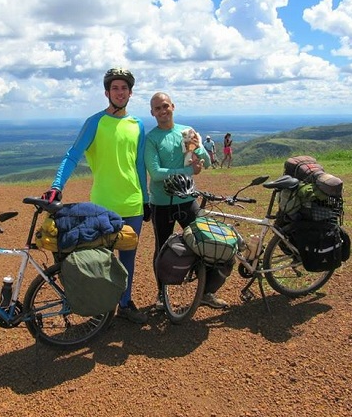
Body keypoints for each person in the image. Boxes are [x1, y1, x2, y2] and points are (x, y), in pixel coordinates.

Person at [41, 68, 150, 324]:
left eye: (124, 88)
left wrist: (145, 199)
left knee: (128, 258)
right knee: (101, 261)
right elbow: (72, 155)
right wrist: (57, 186)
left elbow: (139, 165)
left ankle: (124, 304)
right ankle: (102, 309)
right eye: (115, 88)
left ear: (130, 93)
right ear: (107, 92)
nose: (120, 92)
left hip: (132, 203)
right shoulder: (95, 122)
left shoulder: (138, 125)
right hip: (103, 204)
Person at [145, 92, 229, 310]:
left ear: (173, 106)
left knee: (205, 241)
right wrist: (188, 170)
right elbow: (155, 173)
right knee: (162, 249)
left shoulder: (186, 132)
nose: (162, 111)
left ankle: (206, 292)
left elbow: (207, 163)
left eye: (165, 106)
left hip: (188, 199)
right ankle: (162, 296)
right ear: (152, 112)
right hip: (162, 203)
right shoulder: (151, 139)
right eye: (157, 108)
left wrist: (199, 153)